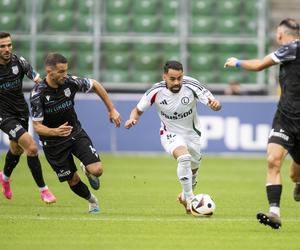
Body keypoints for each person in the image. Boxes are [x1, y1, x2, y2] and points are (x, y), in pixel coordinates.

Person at [224, 18, 300, 229]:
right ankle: (274, 212)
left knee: (295, 173)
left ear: (280, 34)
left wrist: (236, 62)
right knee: (273, 161)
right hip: (285, 117)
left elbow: (259, 65)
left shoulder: (291, 48)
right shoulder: (291, 51)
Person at [124, 60, 221, 213]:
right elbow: (137, 110)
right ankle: (190, 200)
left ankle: (184, 196)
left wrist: (215, 105)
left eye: (179, 78)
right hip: (170, 133)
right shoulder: (155, 92)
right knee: (184, 158)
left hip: (192, 134)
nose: (177, 82)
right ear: (164, 77)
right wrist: (132, 119)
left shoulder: (192, 85)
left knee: (193, 170)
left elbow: (214, 103)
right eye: (172, 79)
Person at [30, 52, 121, 213]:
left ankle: (87, 169)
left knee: (97, 170)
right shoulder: (38, 94)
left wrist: (111, 109)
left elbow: (94, 84)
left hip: (75, 133)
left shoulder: (70, 82)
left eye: (66, 70)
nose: (65, 75)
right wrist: (55, 131)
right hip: (53, 143)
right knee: (72, 180)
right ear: (49, 71)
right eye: (61, 72)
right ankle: (92, 201)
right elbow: (37, 126)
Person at [0, 32, 56, 203]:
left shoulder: (20, 62)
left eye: (9, 45)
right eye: (2, 46)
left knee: (16, 149)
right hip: (3, 115)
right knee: (31, 147)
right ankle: (44, 191)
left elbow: (39, 81)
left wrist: (51, 94)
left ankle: (5, 178)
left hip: (21, 112)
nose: (7, 49)